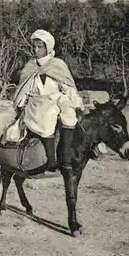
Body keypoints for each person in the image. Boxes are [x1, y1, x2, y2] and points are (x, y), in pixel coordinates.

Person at [13, 29, 84, 172]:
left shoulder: (57, 64)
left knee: (69, 112)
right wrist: (20, 105)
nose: (36, 50)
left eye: (40, 47)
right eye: (34, 47)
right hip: (38, 100)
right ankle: (52, 160)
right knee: (46, 117)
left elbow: (67, 86)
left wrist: (77, 104)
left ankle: (66, 154)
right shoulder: (30, 67)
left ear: (48, 47)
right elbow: (24, 89)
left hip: (57, 97)